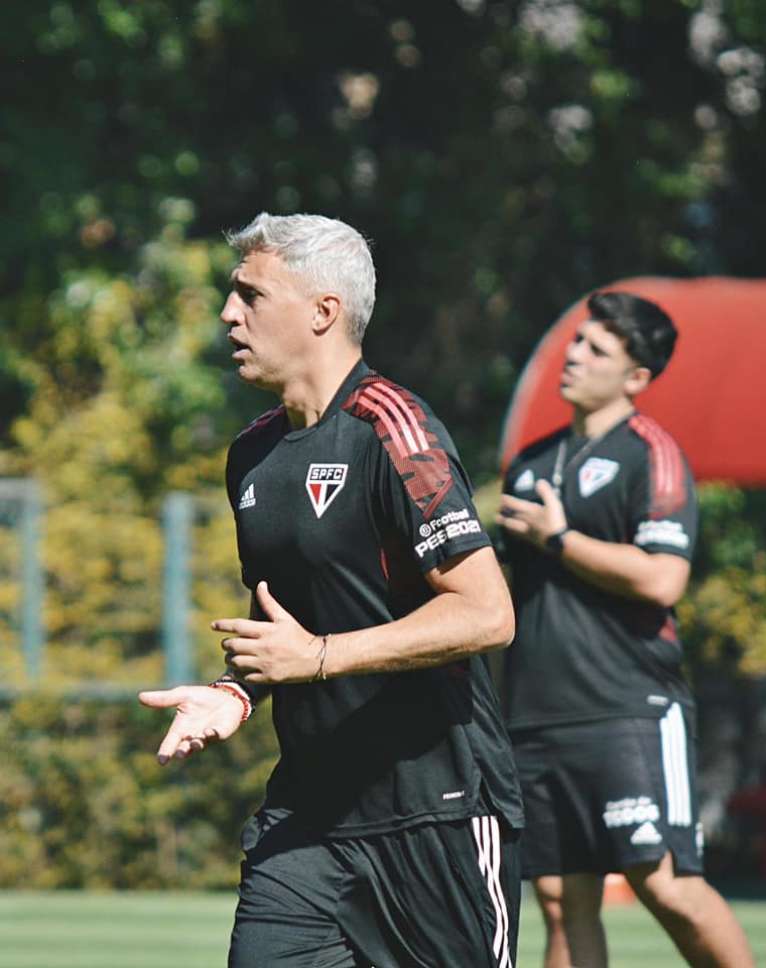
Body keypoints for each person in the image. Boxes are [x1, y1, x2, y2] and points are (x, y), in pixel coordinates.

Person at [140, 212, 524, 968]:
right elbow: (285, 621)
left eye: (250, 295)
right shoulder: (252, 453)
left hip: (434, 815)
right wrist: (237, 690)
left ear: (324, 312)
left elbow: (487, 614)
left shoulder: (393, 428)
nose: (228, 313)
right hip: (308, 820)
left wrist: (320, 656)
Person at [497, 291, 754, 968]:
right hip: (536, 712)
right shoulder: (530, 461)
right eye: (578, 341)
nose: (575, 355)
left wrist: (560, 539)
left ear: (636, 377)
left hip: (627, 709)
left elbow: (663, 579)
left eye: (597, 350)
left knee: (664, 883)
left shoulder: (653, 456)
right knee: (559, 898)